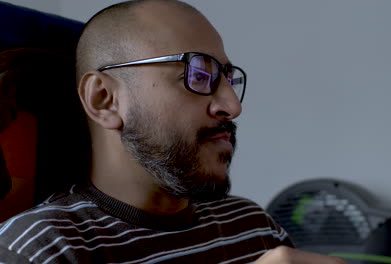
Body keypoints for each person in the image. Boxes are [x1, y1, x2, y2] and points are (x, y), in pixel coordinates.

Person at [0, 0, 346, 263]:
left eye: (227, 78)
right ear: (105, 99)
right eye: (198, 75)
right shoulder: (41, 247)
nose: (233, 106)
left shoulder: (254, 224)